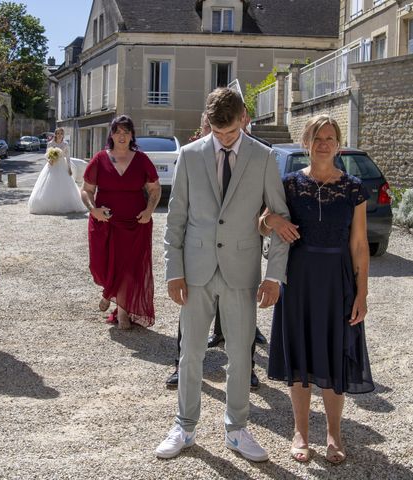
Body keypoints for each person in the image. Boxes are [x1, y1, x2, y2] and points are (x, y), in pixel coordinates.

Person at [156, 88, 290, 462]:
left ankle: (237, 430)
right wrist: (173, 271)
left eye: (230, 133)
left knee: (241, 357)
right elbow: (176, 219)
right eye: (217, 133)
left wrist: (273, 275)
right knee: (190, 354)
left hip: (242, 272)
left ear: (244, 118)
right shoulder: (189, 155)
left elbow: (279, 219)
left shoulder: (264, 157)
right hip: (196, 272)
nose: (224, 139)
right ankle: (184, 426)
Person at [260, 114, 374, 464]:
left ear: (337, 144)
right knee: (301, 356)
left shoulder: (353, 187)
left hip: (337, 280)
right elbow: (261, 223)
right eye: (317, 137)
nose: (323, 143)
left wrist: (362, 293)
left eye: (330, 137)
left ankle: (334, 433)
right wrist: (273, 220)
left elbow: (359, 245)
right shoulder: (289, 184)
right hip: (299, 278)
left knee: (334, 355)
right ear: (306, 142)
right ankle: (300, 432)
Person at [165, 110, 265, 391]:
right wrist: (175, 265)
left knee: (242, 324)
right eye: (209, 124)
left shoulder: (254, 154)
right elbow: (179, 212)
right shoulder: (193, 153)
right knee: (189, 321)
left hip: (237, 254)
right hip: (200, 256)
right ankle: (180, 366)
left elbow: (265, 203)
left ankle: (247, 370)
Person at [81, 115, 161, 329]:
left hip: (136, 223)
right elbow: (87, 191)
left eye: (126, 132)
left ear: (132, 135)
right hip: (105, 222)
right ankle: (108, 290)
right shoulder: (99, 159)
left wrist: (149, 211)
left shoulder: (142, 160)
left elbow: (154, 189)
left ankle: (123, 313)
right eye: (118, 131)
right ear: (111, 134)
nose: (122, 136)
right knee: (102, 264)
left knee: (129, 266)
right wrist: (93, 210)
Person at [28, 128, 86, 215]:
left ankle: (65, 204)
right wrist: (49, 161)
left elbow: (68, 157)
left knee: (64, 185)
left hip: (62, 166)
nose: (59, 135)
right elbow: (46, 155)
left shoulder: (65, 144)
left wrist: (69, 168)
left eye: (61, 133)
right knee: (49, 184)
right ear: (55, 134)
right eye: (58, 133)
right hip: (52, 166)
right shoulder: (51, 143)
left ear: (63, 135)